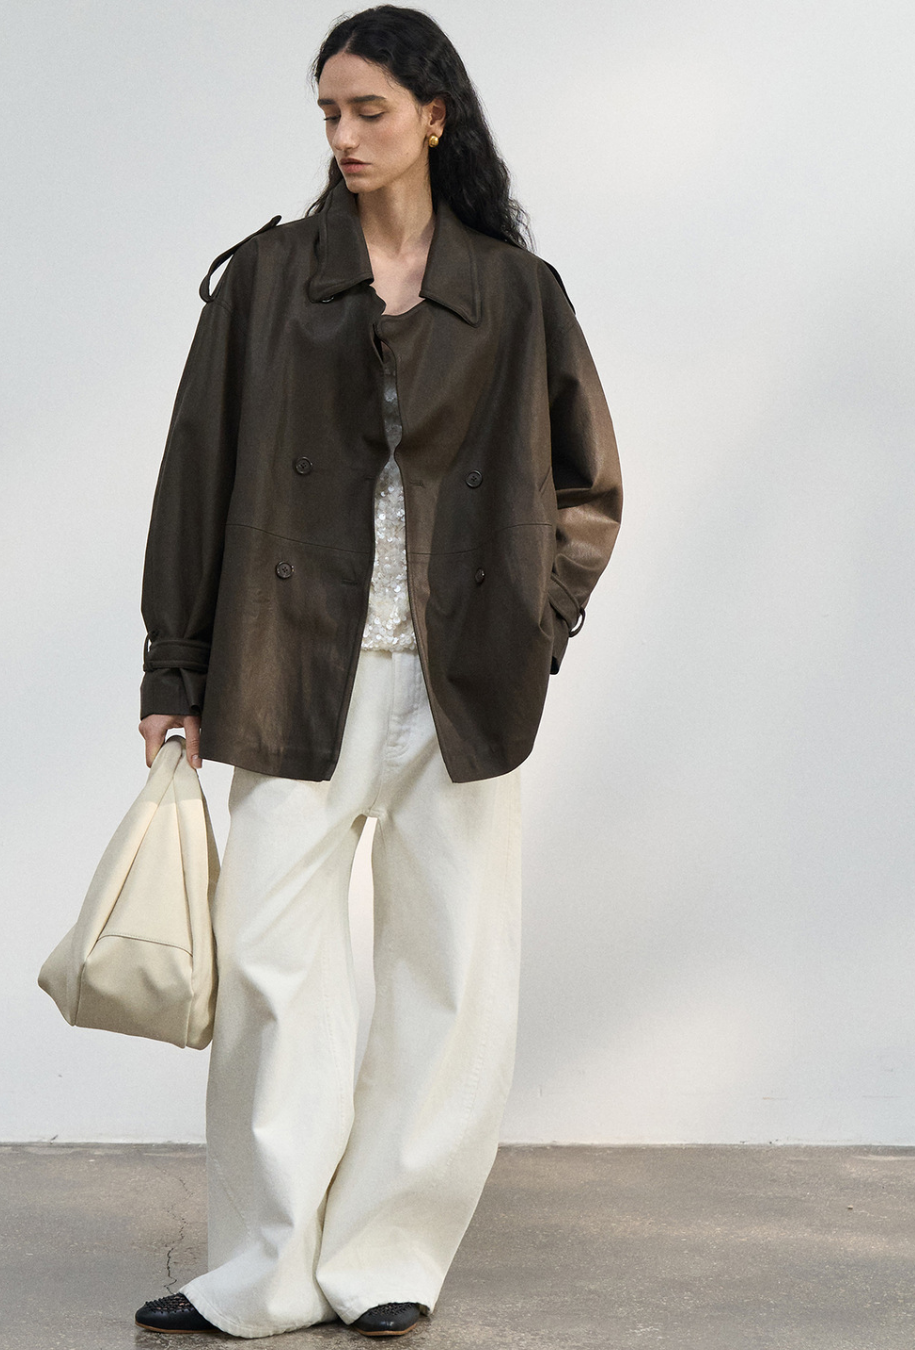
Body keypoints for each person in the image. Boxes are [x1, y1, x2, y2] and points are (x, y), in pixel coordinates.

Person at [133, 5, 621, 1338]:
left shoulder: (515, 292)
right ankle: (264, 1271)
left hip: (459, 683)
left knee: (446, 976)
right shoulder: (266, 282)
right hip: (289, 664)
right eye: (329, 114)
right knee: (270, 969)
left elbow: (588, 487)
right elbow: (195, 476)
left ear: (433, 118)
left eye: (369, 111)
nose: (344, 136)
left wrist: (536, 627)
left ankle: (387, 1257)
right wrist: (173, 666)